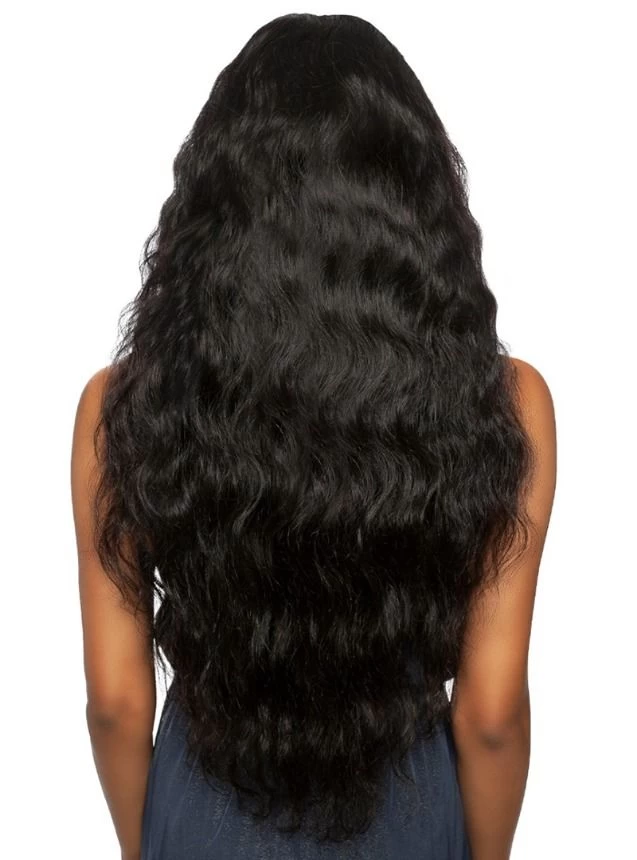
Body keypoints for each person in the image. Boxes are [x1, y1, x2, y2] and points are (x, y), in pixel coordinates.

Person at [70, 12, 557, 860]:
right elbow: (490, 714)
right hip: (407, 813)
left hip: (204, 807)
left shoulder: (123, 405)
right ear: (415, 205)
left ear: (216, 208)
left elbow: (115, 701)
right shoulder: (508, 403)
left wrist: (151, 844)